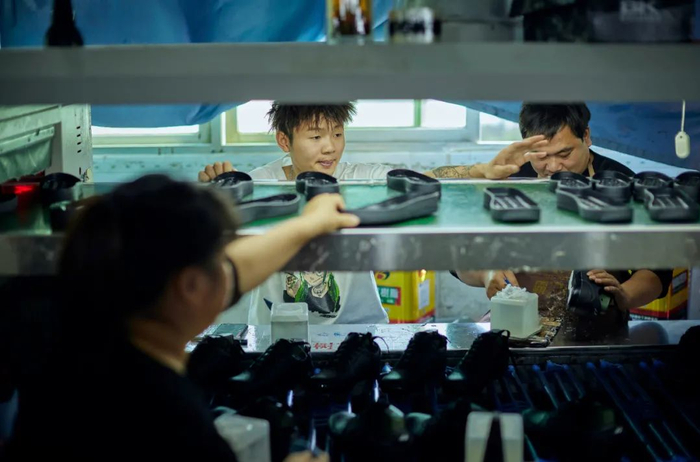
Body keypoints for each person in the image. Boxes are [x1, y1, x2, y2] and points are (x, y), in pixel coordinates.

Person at [4, 175, 351, 461]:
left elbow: (235, 270)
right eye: (217, 259)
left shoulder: (66, 347)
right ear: (191, 286)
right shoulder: (176, 424)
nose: (227, 271)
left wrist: (308, 224)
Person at [197, 102, 549, 325]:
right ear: (284, 141)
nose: (330, 147)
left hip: (360, 328)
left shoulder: (358, 178)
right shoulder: (261, 183)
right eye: (316, 137)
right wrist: (215, 191)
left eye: (337, 133)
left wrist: (479, 170)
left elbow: (420, 179)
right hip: (276, 330)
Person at [448, 103, 672, 342]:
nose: (553, 167)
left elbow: (657, 272)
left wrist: (624, 295)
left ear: (586, 136)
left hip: (598, 325)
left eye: (565, 154)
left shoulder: (620, 184)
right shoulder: (509, 180)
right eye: (542, 156)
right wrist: (486, 274)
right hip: (516, 324)